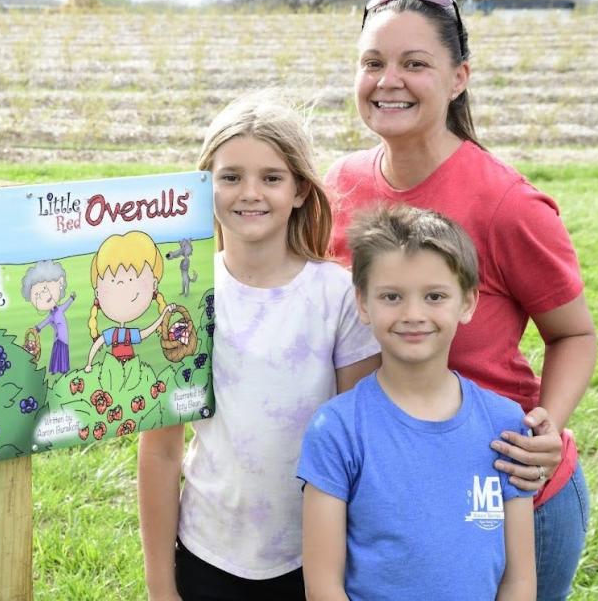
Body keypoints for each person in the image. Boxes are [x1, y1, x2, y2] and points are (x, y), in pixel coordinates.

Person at [325, 0, 597, 600]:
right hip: (388, 492)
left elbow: (574, 333)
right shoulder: (337, 186)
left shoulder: (507, 205)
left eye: (414, 63)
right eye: (372, 63)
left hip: (506, 495)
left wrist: (544, 429)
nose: (388, 80)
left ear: (458, 79)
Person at [138, 93, 380, 601]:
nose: (251, 192)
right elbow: (161, 453)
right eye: (231, 177)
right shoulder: (183, 301)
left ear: (298, 190)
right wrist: (162, 586)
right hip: (207, 553)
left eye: (271, 177)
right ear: (205, 185)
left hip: (311, 559)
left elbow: (359, 445)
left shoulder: (335, 296)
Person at [298, 204, 536, 600]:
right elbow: (323, 586)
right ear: (362, 303)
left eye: (434, 296)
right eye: (391, 296)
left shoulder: (505, 423)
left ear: (468, 302)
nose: (413, 314)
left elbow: (519, 579)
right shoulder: (337, 429)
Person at [84, 231, 174, 372]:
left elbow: (148, 331)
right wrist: (89, 363)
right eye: (113, 281)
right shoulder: (112, 334)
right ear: (97, 293)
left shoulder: (127, 335)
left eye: (132, 279)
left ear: (154, 285)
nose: (121, 286)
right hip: (113, 370)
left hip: (132, 369)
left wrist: (163, 316)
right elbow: (97, 344)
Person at [22, 260, 75, 374]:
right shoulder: (51, 315)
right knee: (56, 352)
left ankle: (64, 369)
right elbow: (45, 321)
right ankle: (55, 369)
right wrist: (38, 328)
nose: (45, 296)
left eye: (46, 289)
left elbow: (66, 304)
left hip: (63, 337)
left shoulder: (60, 309)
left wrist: (71, 298)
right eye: (37, 295)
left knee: (62, 351)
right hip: (57, 338)